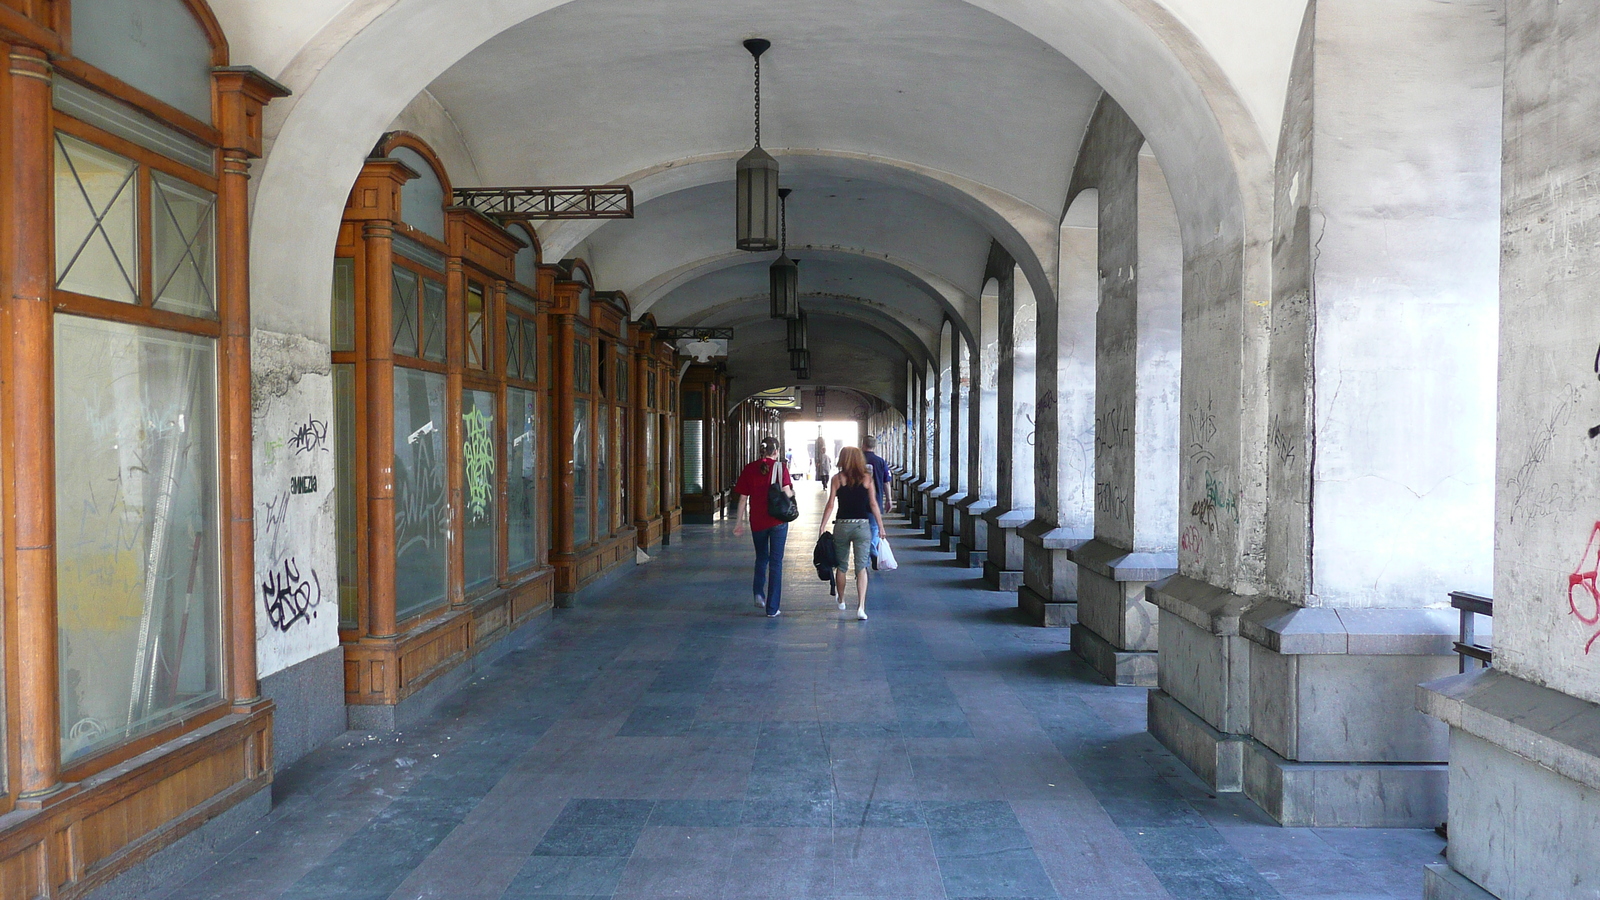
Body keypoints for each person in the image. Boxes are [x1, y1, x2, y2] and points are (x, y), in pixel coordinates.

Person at [821, 446, 886, 620]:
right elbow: (873, 504)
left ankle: (841, 600)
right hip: (862, 526)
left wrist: (822, 525)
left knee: (841, 566)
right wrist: (881, 526)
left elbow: (830, 505)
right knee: (861, 567)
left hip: (842, 525)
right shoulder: (867, 479)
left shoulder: (837, 479)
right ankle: (861, 607)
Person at [734, 436, 793, 618]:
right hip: (777, 521)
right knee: (776, 562)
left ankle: (758, 593)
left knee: (761, 557)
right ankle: (772, 608)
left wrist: (738, 523)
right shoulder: (780, 468)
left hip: (757, 522)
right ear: (776, 451)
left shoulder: (749, 468)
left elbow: (743, 498)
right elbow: (787, 492)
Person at [862, 435, 893, 563]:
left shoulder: (858, 460)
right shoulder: (881, 461)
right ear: (874, 446)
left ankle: (868, 553)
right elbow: (886, 482)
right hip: (877, 499)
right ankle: (872, 549)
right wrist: (889, 499)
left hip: (858, 501)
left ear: (863, 444)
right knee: (874, 528)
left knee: (861, 529)